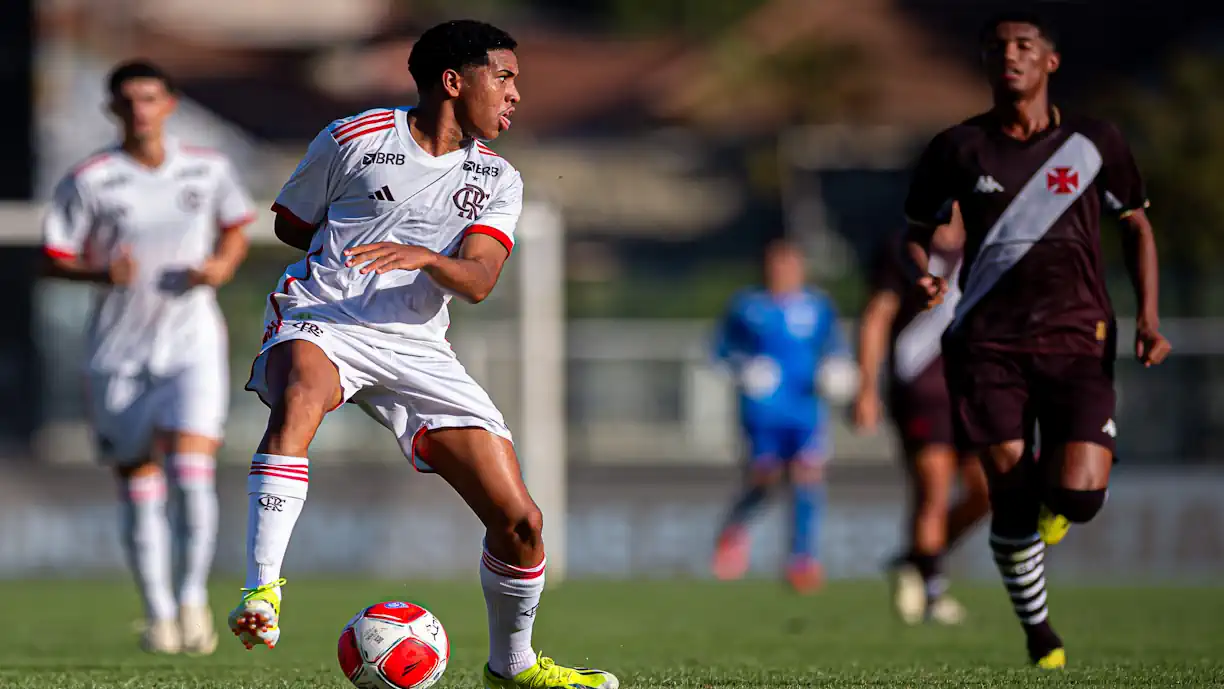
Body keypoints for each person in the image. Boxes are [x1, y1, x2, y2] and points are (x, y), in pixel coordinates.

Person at [229, 20, 617, 689]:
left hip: (417, 343)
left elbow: (478, 281)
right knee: (300, 399)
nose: (516, 94)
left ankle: (513, 664)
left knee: (520, 520)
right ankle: (262, 592)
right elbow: (291, 224)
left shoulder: (496, 178)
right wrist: (357, 257)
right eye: (505, 76)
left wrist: (424, 257)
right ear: (452, 81)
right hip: (327, 315)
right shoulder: (353, 138)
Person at [902, 11, 1171, 668]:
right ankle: (1039, 630)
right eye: (997, 48)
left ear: (1050, 61)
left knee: (1079, 496)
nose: (1009, 57)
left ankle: (1057, 504)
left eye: (1024, 46)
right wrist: (926, 278)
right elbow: (917, 228)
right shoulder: (957, 148)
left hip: (1080, 337)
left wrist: (1148, 317)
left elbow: (1136, 226)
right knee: (1011, 495)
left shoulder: (1095, 141)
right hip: (987, 344)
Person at [41, 60, 254, 654]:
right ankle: (159, 613)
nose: (140, 109)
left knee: (193, 474)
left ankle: (191, 601)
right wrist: (96, 270)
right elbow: (51, 254)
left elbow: (237, 226)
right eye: (128, 100)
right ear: (114, 110)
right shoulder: (91, 179)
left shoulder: (207, 169)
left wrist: (222, 265)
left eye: (151, 98)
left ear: (169, 104)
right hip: (118, 351)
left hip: (191, 342)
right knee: (140, 480)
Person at [854, 211, 990, 625]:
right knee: (933, 486)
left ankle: (915, 561)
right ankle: (933, 592)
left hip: (973, 386)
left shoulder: (988, 245)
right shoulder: (905, 247)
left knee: (987, 491)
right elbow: (877, 315)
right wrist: (866, 387)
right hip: (920, 386)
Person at [709, 238, 852, 594]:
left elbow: (834, 345)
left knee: (807, 476)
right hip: (762, 410)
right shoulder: (746, 305)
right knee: (766, 477)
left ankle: (802, 559)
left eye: (789, 265)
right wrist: (744, 368)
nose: (782, 272)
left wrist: (836, 368)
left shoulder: (818, 306)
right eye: (775, 265)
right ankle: (734, 528)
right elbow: (720, 348)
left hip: (805, 407)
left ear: (801, 268)